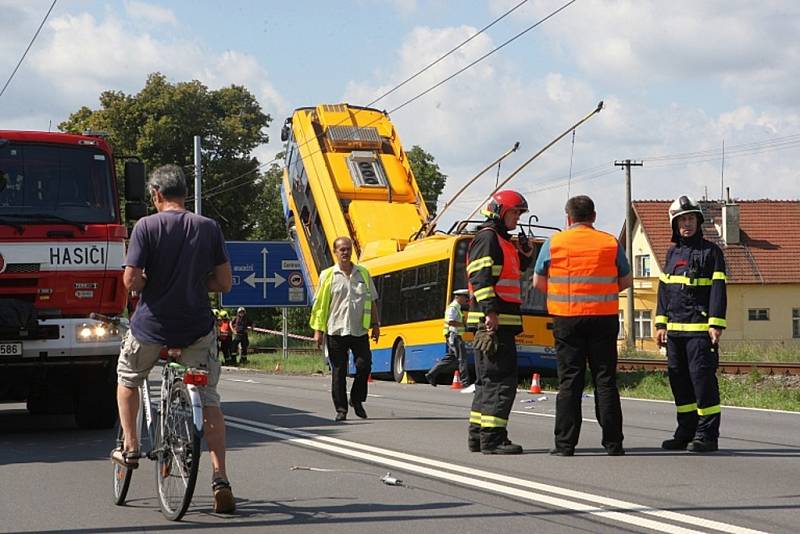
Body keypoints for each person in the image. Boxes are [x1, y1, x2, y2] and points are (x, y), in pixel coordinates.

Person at [111, 164, 236, 514]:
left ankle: (132, 447)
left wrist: (154, 283)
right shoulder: (208, 227)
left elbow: (131, 281)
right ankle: (220, 477)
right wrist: (197, 285)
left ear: (155, 194)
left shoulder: (146, 227)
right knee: (209, 400)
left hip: (152, 327)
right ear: (185, 193)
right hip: (196, 329)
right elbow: (224, 283)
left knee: (128, 378)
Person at [533, 195, 631, 457]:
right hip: (604, 318)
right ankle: (613, 444)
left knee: (570, 382)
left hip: (566, 319)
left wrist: (559, 296)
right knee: (605, 381)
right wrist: (604, 293)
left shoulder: (554, 242)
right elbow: (626, 279)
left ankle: (565, 445)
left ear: (568, 218)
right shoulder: (609, 242)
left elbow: (537, 281)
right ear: (594, 216)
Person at [655, 195, 727, 453]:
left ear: (699, 221)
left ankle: (707, 435)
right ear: (675, 225)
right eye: (682, 220)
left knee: (702, 382)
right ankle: (685, 430)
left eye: (691, 219)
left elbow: (718, 290)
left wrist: (715, 324)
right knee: (679, 382)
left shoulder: (711, 252)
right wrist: (660, 324)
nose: (687, 224)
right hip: (674, 333)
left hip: (699, 333)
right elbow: (664, 291)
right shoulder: (672, 253)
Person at [466, 190, 533, 454]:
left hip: (496, 322)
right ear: (499, 212)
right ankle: (493, 439)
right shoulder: (488, 238)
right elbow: (480, 278)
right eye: (515, 213)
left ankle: (478, 437)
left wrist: (526, 254)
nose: (517, 218)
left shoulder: (501, 241)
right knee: (501, 382)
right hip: (495, 324)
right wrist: (490, 312)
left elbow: (508, 273)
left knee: (486, 382)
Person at [309, 236, 380, 422]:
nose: (345, 252)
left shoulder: (363, 273)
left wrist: (376, 324)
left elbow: (371, 301)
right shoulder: (327, 276)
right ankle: (341, 410)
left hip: (359, 330)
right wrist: (318, 331)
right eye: (342, 249)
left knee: (364, 366)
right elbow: (320, 307)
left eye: (348, 249)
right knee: (339, 372)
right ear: (335, 252)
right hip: (336, 331)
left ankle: (356, 400)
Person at [425, 289, 472, 388]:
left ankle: (431, 374)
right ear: (458, 297)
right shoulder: (453, 308)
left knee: (450, 358)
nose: (466, 300)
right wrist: (463, 325)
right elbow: (450, 321)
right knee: (462, 359)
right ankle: (465, 382)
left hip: (454, 336)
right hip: (454, 336)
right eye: (465, 298)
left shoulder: (457, 307)